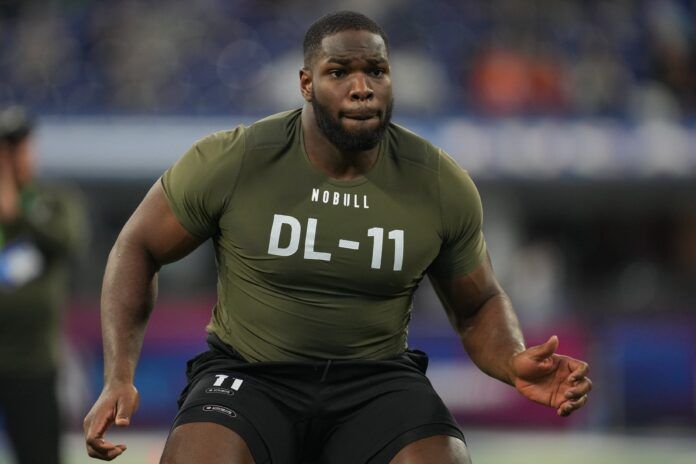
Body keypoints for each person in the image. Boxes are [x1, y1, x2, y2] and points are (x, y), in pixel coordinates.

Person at [83, 11, 592, 464]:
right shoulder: (236, 160)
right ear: (306, 83)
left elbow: (477, 302)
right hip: (251, 376)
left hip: (375, 382)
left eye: (376, 71)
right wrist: (118, 376)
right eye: (339, 72)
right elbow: (138, 246)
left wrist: (511, 358)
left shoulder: (439, 182)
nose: (361, 87)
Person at [0, 106, 88, 464]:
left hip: (31, 359)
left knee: (39, 454)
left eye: (19, 148)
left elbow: (67, 242)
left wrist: (18, 209)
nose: (12, 158)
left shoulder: (53, 200)